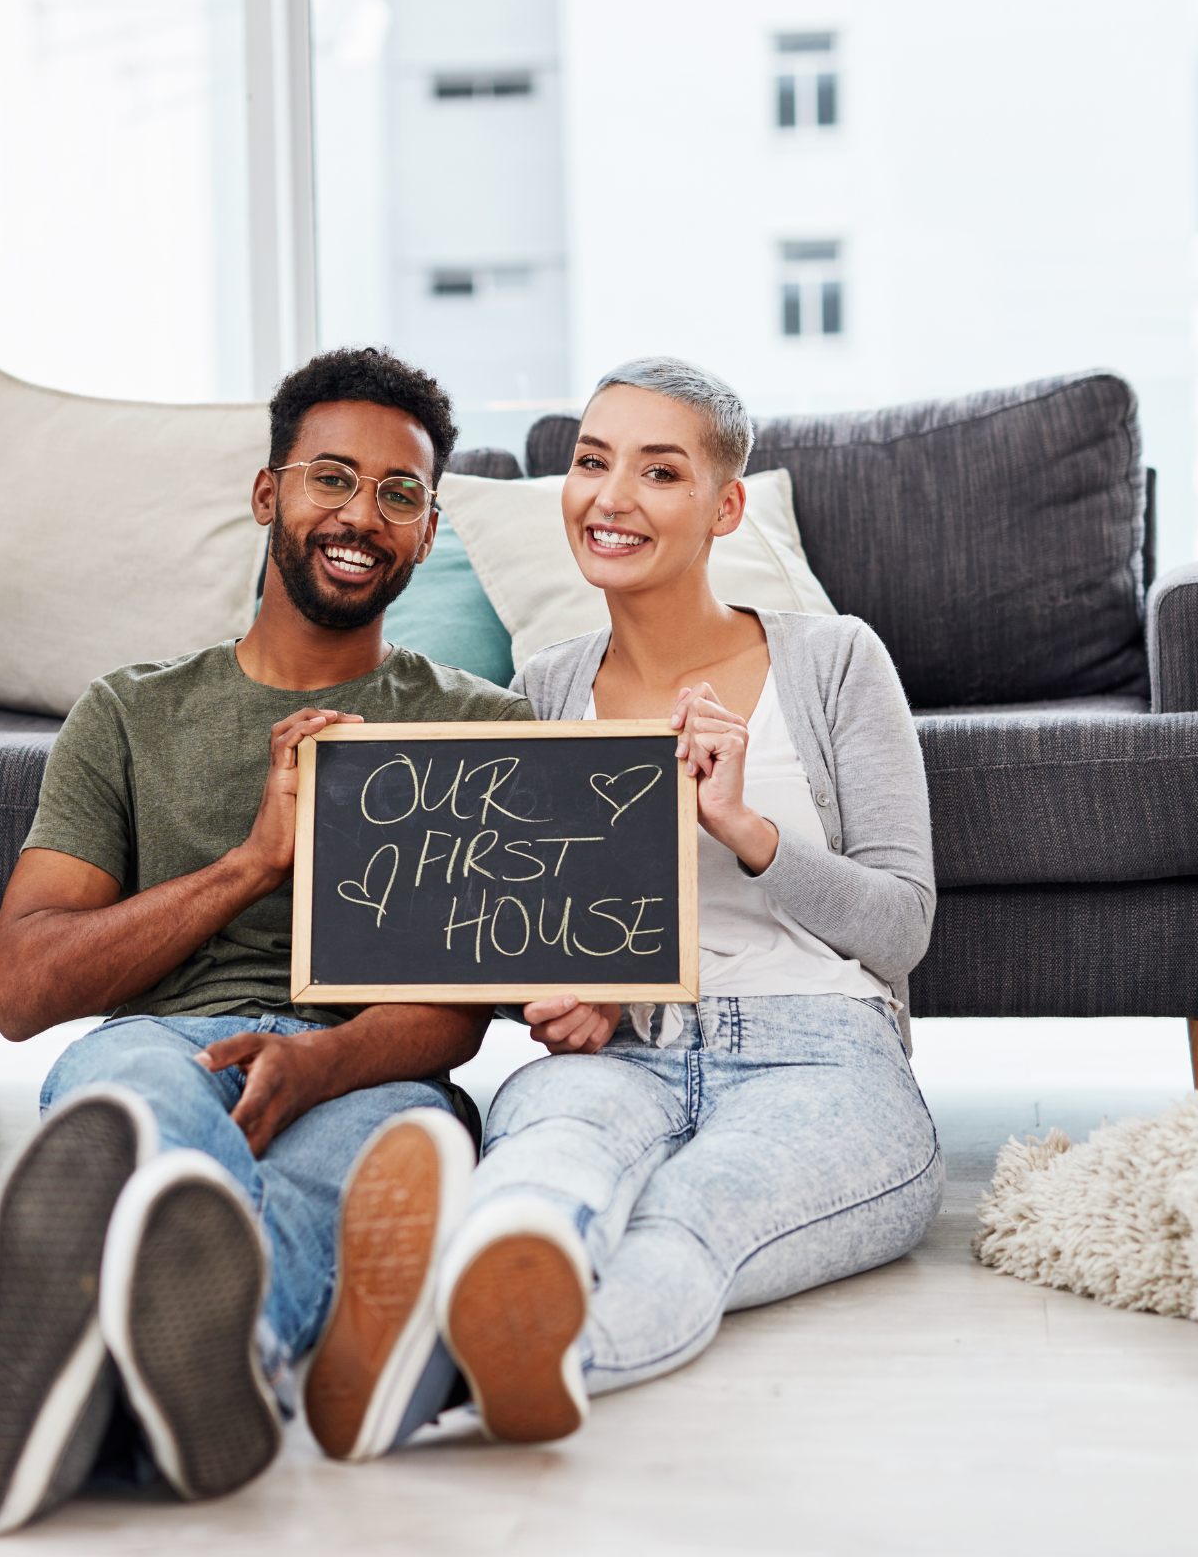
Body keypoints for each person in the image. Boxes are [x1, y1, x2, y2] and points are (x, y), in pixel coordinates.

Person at [0, 347, 531, 1535]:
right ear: (268, 496)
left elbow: (463, 1011)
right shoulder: (129, 713)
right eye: (331, 479)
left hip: (369, 1064)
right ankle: (205, 1371)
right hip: (166, 1045)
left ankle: (133, 1368)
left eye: (398, 494)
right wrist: (253, 861)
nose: (360, 515)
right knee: (135, 1110)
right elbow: (22, 985)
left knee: (385, 1161)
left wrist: (318, 1062)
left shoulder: (478, 723)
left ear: (424, 529)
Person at [314, 355, 943, 1457]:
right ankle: (448, 1332)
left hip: (820, 1052)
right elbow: (522, 926)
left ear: (723, 506)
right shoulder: (544, 687)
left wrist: (744, 830)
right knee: (539, 1176)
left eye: (658, 472)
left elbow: (900, 927)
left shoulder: (834, 660)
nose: (609, 498)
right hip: (619, 1052)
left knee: (683, 1221)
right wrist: (554, 995)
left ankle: (434, 1376)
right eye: (590, 462)